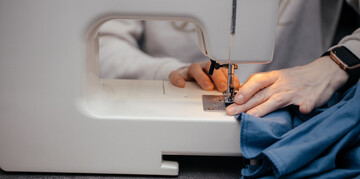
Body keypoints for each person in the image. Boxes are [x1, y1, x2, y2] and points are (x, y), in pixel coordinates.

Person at [99, 0, 360, 116]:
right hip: (154, 94)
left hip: (296, 113)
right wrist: (168, 72)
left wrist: (338, 62)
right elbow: (103, 45)